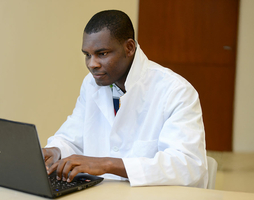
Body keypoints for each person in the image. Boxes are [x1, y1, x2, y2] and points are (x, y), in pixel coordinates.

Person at [42, 10, 208, 188]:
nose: (92, 64)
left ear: (129, 48)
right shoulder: (91, 85)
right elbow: (72, 137)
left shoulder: (175, 91)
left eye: (102, 53)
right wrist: (56, 151)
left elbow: (187, 165)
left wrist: (107, 164)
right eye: (87, 55)